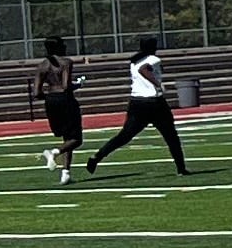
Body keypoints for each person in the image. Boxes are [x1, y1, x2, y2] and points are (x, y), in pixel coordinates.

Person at [84, 36, 188, 176]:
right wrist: (159, 84)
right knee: (171, 136)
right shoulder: (153, 59)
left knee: (124, 136)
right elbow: (144, 70)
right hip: (154, 102)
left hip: (136, 102)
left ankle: (97, 156)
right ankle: (181, 168)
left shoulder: (134, 60)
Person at [33, 34, 84, 183]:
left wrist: (50, 98)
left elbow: (36, 93)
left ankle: (66, 173)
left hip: (51, 102)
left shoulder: (42, 65)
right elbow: (66, 86)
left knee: (66, 137)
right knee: (76, 139)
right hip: (65, 100)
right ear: (58, 47)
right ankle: (54, 152)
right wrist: (78, 85)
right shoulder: (66, 62)